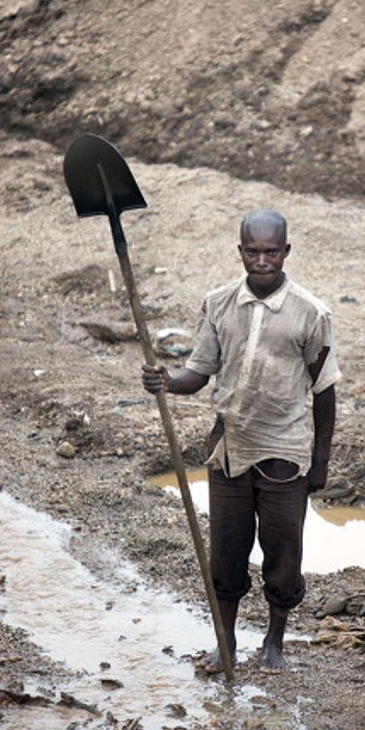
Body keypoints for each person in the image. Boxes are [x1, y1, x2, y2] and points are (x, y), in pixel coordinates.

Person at [141, 208, 340, 672]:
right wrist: (168, 381)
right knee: (226, 554)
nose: (262, 260)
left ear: (286, 252)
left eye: (271, 251)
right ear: (241, 252)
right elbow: (199, 372)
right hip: (230, 449)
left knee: (283, 554)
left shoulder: (311, 313)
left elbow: (325, 389)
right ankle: (226, 639)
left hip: (285, 454)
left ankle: (274, 642)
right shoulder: (218, 304)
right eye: (253, 251)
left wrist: (321, 460)